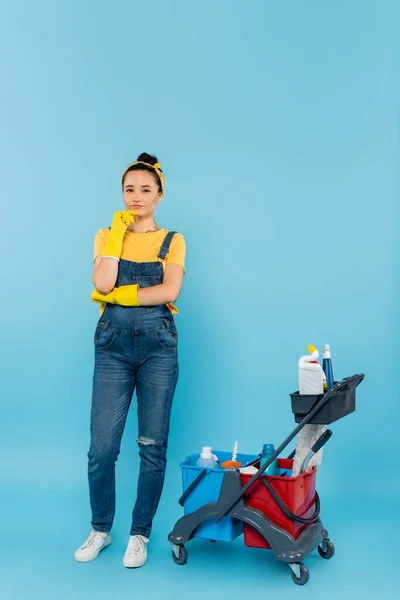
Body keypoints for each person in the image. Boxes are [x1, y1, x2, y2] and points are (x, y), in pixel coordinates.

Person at [74, 153, 186, 568]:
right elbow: (101, 281)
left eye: (145, 190)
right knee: (101, 449)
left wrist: (122, 296)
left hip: (158, 346)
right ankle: (101, 528)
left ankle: (139, 534)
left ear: (159, 194)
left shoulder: (172, 239)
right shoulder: (107, 234)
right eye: (129, 190)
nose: (136, 197)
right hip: (112, 346)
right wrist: (119, 237)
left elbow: (169, 292)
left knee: (152, 448)